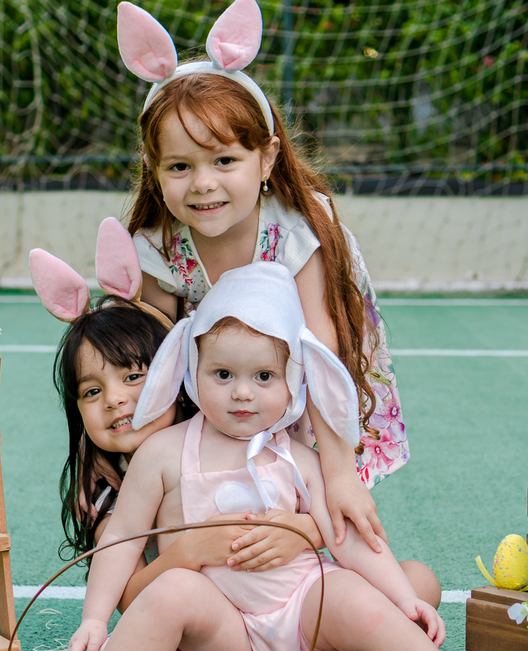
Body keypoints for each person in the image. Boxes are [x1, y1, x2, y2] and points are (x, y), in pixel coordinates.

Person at [64, 262, 517, 651]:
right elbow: (122, 538)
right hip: (223, 632)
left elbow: (345, 537)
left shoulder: (298, 455)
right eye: (222, 375)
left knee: (363, 601)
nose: (242, 393)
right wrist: (95, 618)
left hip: (300, 613)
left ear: (294, 380)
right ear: (191, 371)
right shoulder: (163, 454)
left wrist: (402, 597)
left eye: (263, 377)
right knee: (172, 591)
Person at [117, 0, 409, 553]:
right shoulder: (157, 245)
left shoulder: (293, 230)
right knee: (212, 510)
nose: (202, 183)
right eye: (180, 166)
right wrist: (144, 479)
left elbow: (320, 347)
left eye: (224, 161)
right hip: (227, 384)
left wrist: (340, 471)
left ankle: (312, 539)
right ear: (155, 171)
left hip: (303, 374)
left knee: (317, 498)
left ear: (267, 157)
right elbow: (151, 358)